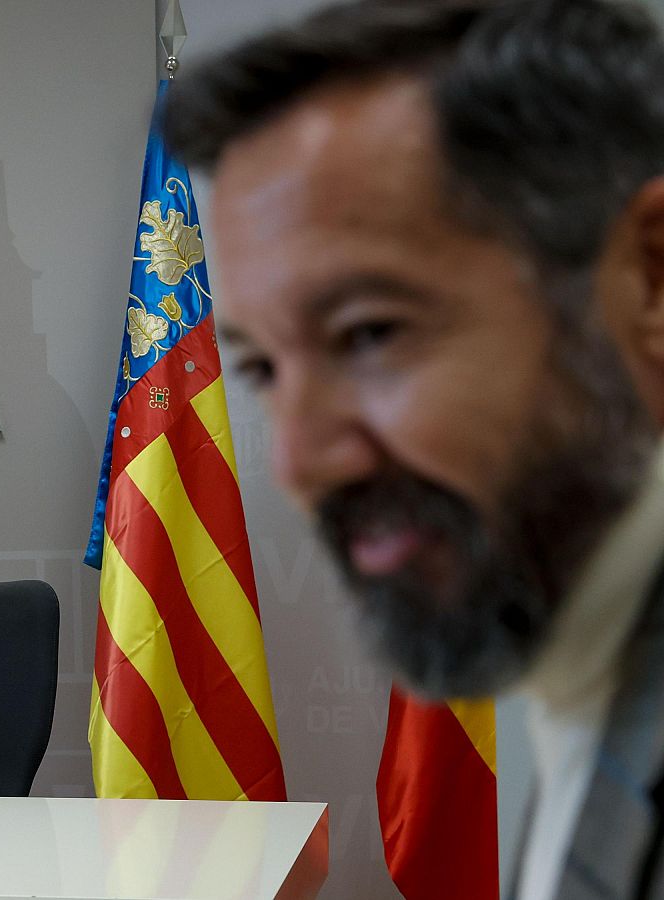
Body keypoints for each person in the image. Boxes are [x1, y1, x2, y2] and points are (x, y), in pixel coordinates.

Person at [162, 0, 664, 896]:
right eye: (267, 369)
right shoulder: (591, 682)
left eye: (370, 334)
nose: (299, 463)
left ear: (653, 278)